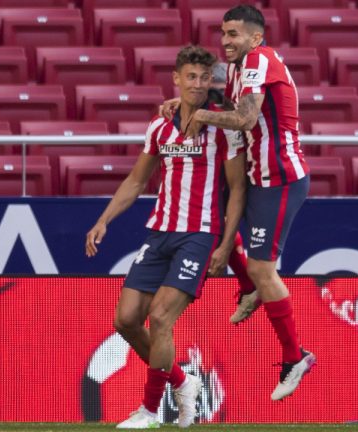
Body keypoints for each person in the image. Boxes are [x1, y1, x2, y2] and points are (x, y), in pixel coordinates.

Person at [86, 45, 247, 429]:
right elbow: (138, 179)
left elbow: (238, 190)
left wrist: (225, 244)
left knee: (159, 318)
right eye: (189, 76)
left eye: (203, 77)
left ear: (212, 82)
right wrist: (104, 219)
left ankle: (150, 410)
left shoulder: (223, 130)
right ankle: (181, 380)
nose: (196, 84)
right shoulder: (160, 126)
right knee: (126, 321)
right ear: (176, 78)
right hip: (159, 231)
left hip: (198, 234)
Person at [175, 4, 316, 401]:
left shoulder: (260, 59)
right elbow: (229, 106)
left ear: (256, 37)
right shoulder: (239, 67)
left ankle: (296, 356)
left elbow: (247, 119)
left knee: (263, 266)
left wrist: (199, 115)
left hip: (280, 178)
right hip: (258, 176)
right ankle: (248, 287)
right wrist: (185, 107)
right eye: (223, 33)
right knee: (219, 226)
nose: (225, 41)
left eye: (234, 34)